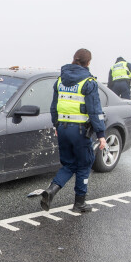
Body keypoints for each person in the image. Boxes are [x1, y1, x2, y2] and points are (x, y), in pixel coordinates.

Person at [41, 48, 107, 212]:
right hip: (79, 131)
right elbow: (95, 111)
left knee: (69, 164)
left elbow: (53, 107)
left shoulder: (60, 80)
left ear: (73, 59)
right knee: (84, 164)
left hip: (63, 129)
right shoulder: (89, 82)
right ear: (88, 63)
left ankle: (51, 190)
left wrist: (57, 125)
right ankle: (79, 203)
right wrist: (101, 135)